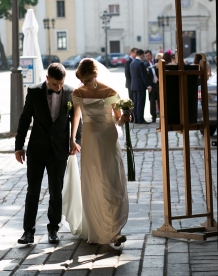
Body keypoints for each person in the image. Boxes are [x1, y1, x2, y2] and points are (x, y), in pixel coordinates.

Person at [14, 63, 82, 245]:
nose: (58, 88)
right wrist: (18, 146)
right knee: (33, 191)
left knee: (56, 192)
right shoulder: (34, 92)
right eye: (54, 85)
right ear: (47, 79)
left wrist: (77, 140)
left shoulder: (70, 92)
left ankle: (53, 229)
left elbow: (76, 118)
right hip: (37, 149)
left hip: (59, 150)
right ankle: (28, 232)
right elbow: (25, 118)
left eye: (60, 84)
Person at [69, 58, 130, 246]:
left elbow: (118, 120)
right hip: (90, 140)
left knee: (112, 182)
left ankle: (115, 230)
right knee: (93, 181)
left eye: (87, 80)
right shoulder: (78, 93)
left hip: (108, 139)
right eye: (82, 80)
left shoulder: (110, 92)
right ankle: (96, 227)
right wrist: (72, 139)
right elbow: (77, 116)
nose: (83, 83)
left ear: (95, 75)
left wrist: (125, 118)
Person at [130, 49, 152, 124]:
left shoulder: (132, 63)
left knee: (135, 102)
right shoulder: (140, 63)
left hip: (134, 85)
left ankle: (135, 118)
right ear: (142, 54)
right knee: (140, 103)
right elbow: (143, 76)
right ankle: (140, 119)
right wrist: (148, 85)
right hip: (140, 86)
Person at [145, 50, 159, 123]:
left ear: (151, 55)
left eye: (149, 55)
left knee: (160, 100)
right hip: (152, 85)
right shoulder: (145, 65)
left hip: (159, 84)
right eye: (146, 56)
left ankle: (162, 115)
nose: (148, 57)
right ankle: (153, 117)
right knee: (152, 101)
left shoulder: (157, 62)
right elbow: (145, 77)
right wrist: (148, 86)